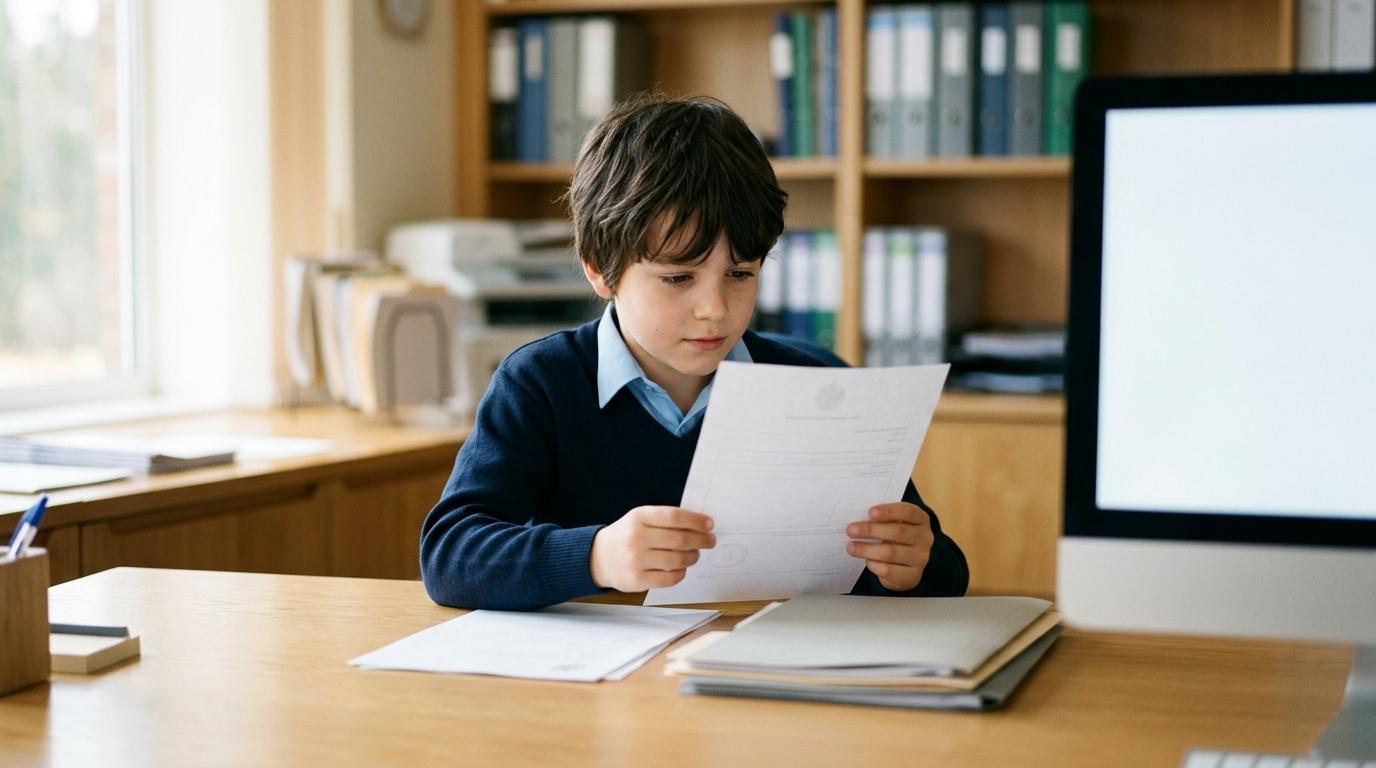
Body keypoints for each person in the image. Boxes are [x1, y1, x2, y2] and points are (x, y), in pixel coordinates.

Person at [420, 94, 968, 610]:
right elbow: (449, 554)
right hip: (604, 672)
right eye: (678, 277)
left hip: (770, 661)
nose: (715, 309)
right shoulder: (541, 382)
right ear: (600, 269)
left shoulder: (818, 383)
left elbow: (944, 571)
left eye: (740, 274)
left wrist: (914, 564)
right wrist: (596, 556)